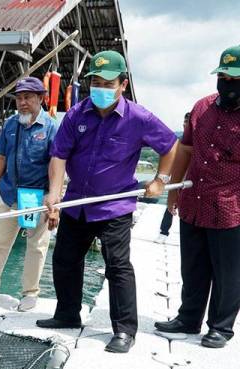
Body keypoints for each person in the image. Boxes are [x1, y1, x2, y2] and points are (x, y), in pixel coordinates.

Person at [36, 51, 178, 353]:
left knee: (117, 266)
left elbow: (171, 146)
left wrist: (159, 180)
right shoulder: (76, 114)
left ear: (123, 84)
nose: (100, 89)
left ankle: (125, 330)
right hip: (76, 202)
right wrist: (54, 195)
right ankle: (67, 314)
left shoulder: (139, 118)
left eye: (107, 83)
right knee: (64, 260)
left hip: (115, 206)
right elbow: (59, 155)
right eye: (95, 83)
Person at [154, 45, 240, 348]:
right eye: (223, 76)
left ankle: (220, 327)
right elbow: (186, 150)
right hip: (194, 201)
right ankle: (188, 318)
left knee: (228, 273)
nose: (227, 82)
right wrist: (172, 193)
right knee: (192, 266)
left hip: (232, 208)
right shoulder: (202, 107)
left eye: (235, 78)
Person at [0, 77, 56, 312]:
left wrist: (54, 200)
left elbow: (56, 166)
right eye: (19, 98)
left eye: (28, 97)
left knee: (36, 246)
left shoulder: (51, 128)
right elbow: (2, 158)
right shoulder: (10, 124)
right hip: (9, 194)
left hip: (36, 197)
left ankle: (30, 292)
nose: (23, 102)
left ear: (41, 98)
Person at [154, 112, 191, 244]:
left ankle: (188, 238)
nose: (185, 124)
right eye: (184, 122)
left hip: (192, 181)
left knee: (189, 210)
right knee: (170, 206)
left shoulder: (199, 141)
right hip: (177, 178)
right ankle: (163, 233)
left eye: (188, 122)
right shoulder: (178, 141)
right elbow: (169, 158)